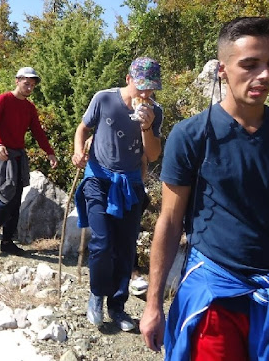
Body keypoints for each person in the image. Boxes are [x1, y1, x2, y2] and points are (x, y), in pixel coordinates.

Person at [140, 17, 269, 361]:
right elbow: (169, 221)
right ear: (222, 70)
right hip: (212, 297)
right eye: (250, 65)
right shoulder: (191, 136)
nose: (264, 75)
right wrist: (153, 305)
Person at [72, 57, 163, 332]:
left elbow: (153, 154)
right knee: (102, 240)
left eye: (151, 89)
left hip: (130, 184)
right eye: (141, 87)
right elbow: (83, 127)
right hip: (98, 179)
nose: (145, 94)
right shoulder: (104, 99)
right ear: (128, 79)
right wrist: (78, 151)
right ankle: (97, 295)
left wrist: (146, 127)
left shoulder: (154, 111)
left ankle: (118, 306)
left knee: (125, 247)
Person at [0, 66, 58, 255]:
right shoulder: (3, 100)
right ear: (17, 80)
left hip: (18, 155)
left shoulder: (29, 107)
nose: (30, 88)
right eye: (27, 83)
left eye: (33, 85)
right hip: (2, 154)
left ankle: (8, 241)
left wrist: (49, 152)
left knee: (16, 200)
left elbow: (38, 132)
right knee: (6, 195)